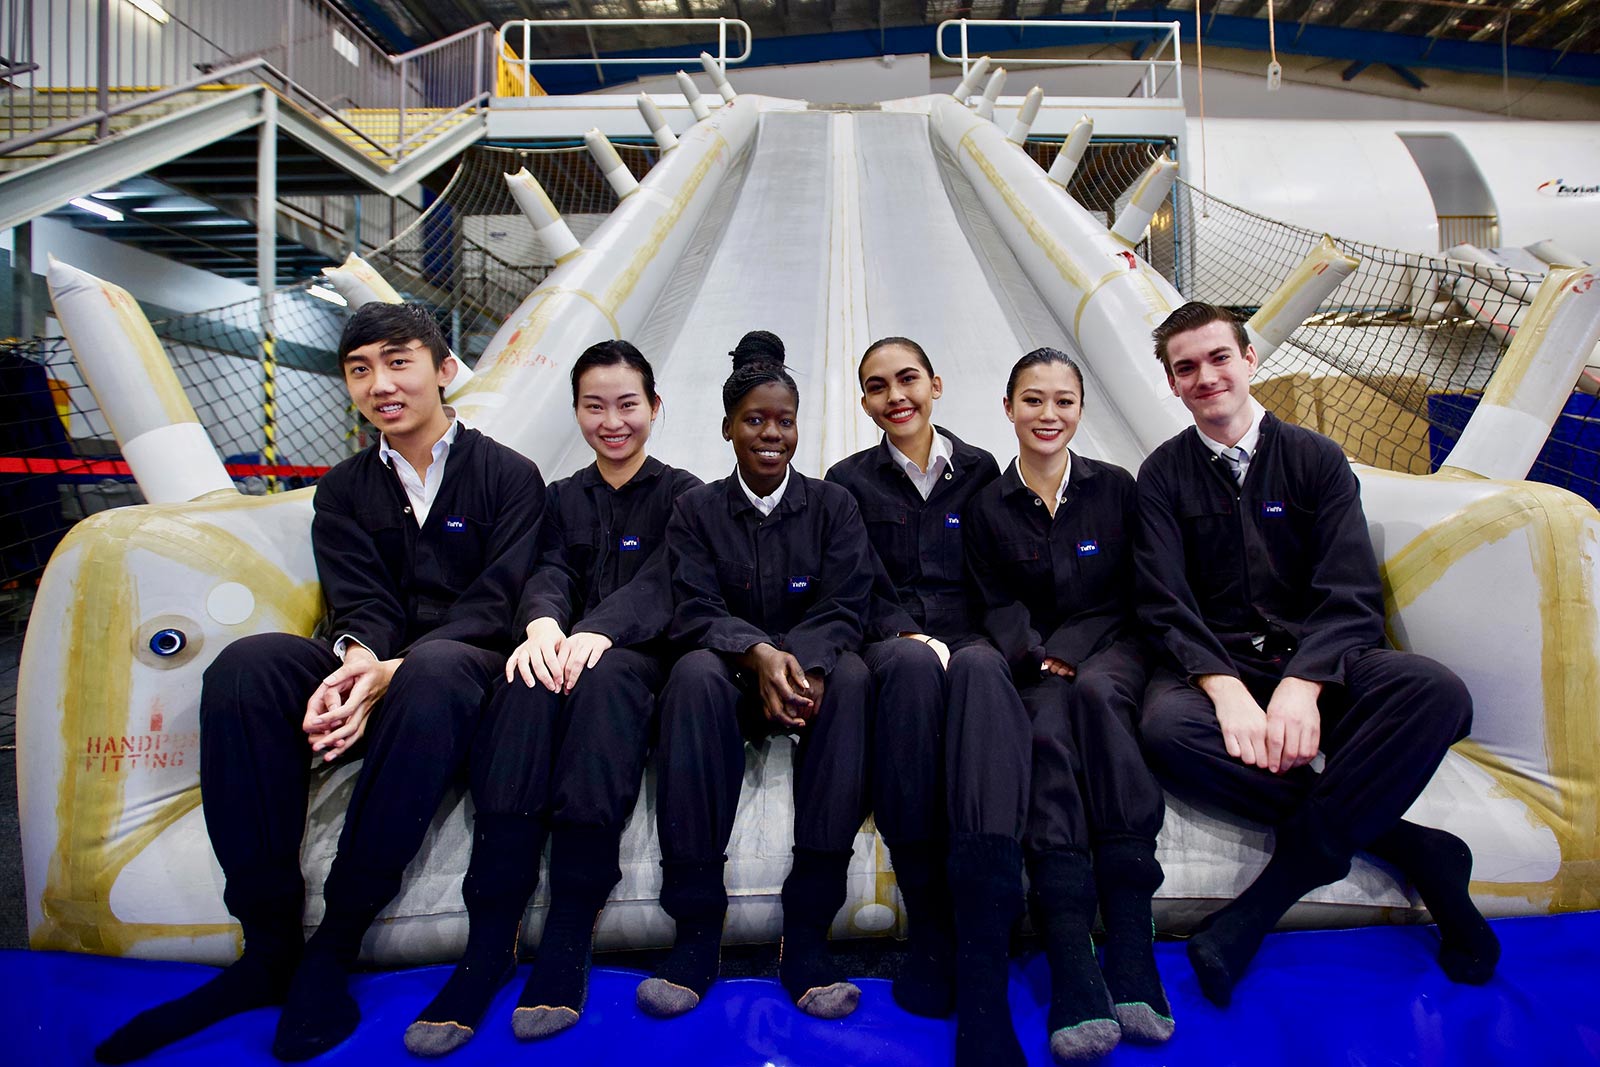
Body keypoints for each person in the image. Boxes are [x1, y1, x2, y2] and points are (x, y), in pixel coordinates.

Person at [94, 303, 545, 1063]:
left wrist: (395, 671)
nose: (381, 384)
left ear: (442, 370)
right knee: (250, 666)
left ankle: (336, 940)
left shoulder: (509, 475)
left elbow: (497, 603)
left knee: (431, 670)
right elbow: (359, 598)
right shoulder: (343, 489)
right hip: (381, 661)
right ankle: (268, 946)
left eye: (398, 362)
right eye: (360, 369)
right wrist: (357, 661)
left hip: (463, 669)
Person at [1134, 300, 1499, 1009]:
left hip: (1319, 663)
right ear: (1173, 385)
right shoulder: (1161, 477)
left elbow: (1350, 586)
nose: (1206, 376)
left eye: (1217, 358)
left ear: (1249, 361)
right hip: (1222, 667)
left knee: (1436, 693)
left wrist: (1302, 682)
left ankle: (1266, 901)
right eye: (1187, 368)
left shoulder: (1316, 461)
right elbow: (1163, 604)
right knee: (1164, 731)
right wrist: (1224, 687)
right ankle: (1415, 847)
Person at [403, 340, 701, 1055]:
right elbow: (545, 572)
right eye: (595, 406)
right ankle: (490, 941)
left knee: (604, 680)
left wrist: (599, 631)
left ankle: (569, 927)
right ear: (576, 412)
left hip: (632, 663)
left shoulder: (686, 495)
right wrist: (541, 626)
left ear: (654, 407)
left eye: (628, 404)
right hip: (565, 651)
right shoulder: (561, 497)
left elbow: (668, 582)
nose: (613, 420)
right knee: (523, 682)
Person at [635, 331, 876, 1021]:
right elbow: (693, 606)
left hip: (809, 683)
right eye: (755, 420)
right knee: (690, 676)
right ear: (727, 427)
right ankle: (697, 926)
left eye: (785, 420)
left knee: (855, 676)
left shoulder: (833, 507)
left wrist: (804, 659)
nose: (772, 433)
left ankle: (807, 928)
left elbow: (846, 600)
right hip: (734, 685)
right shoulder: (697, 509)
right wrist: (757, 654)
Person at [962, 348, 1171, 1065]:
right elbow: (993, 598)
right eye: (1032, 400)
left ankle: (1134, 946)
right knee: (1046, 725)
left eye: (1063, 401)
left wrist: (1070, 652)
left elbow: (1134, 589)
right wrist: (1033, 654)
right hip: (1035, 660)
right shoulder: (986, 504)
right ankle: (1072, 958)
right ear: (1008, 407)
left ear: (1081, 409)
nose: (1048, 415)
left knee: (1096, 698)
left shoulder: (1115, 488)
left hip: (1112, 646)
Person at [823, 336, 1009, 1027]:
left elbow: (998, 572)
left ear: (935, 383)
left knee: (985, 667)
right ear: (865, 401)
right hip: (893, 642)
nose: (895, 395)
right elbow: (854, 581)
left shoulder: (982, 469)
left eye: (907, 380)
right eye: (877, 386)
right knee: (908, 668)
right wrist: (906, 632)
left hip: (969, 638)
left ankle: (982, 905)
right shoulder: (847, 481)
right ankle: (929, 916)